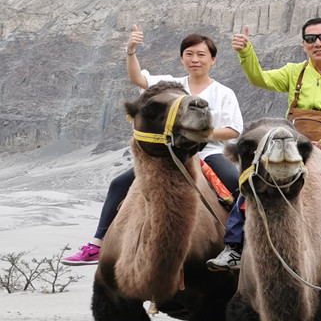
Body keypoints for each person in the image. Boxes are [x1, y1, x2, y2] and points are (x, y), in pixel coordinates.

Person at [207, 18, 321, 271]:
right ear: (303, 44)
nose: (318, 43)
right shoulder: (295, 72)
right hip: (294, 145)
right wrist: (246, 52)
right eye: (311, 39)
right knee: (252, 181)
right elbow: (260, 79)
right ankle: (234, 247)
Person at [62, 26, 243, 266]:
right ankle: (97, 243)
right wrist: (131, 50)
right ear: (182, 58)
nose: (195, 59)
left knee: (240, 186)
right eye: (189, 54)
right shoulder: (170, 86)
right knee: (118, 185)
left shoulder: (224, 93)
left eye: (201, 54)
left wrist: (197, 134)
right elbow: (138, 78)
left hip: (207, 152)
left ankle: (238, 247)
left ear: (213, 59)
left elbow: (233, 130)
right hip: (168, 153)